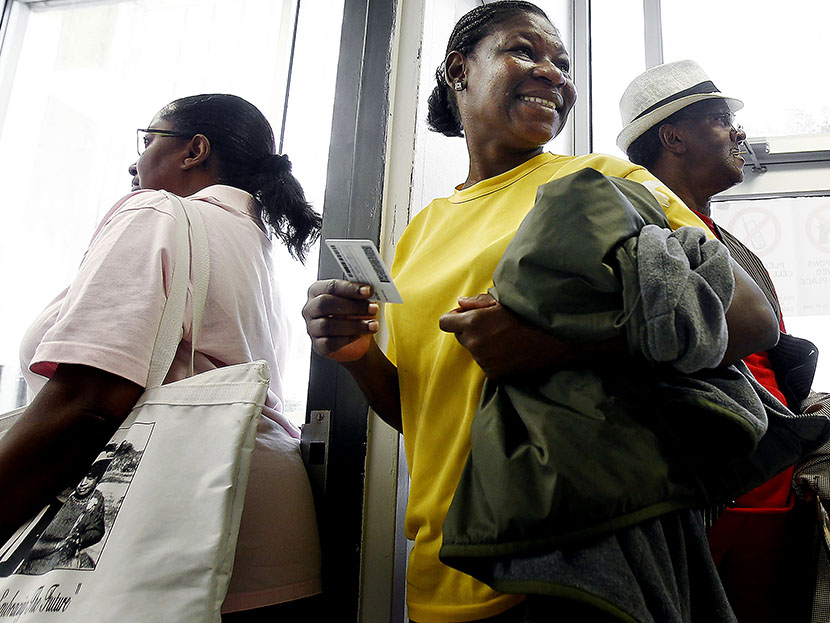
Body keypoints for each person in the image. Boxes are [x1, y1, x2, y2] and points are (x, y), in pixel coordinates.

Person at [303, 3, 785, 621]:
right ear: (459, 70)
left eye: (561, 61)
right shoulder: (420, 232)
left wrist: (559, 346)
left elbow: (750, 319)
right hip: (444, 561)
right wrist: (356, 355)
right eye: (524, 52)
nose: (553, 73)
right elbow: (424, 413)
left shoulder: (604, 179)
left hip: (572, 555)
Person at [0, 94, 322, 618]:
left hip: (171, 526)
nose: (134, 161)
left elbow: (90, 401)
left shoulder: (154, 212)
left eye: (147, 140)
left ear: (194, 150)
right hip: (267, 534)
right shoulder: (251, 244)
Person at [618, 60, 823, 623]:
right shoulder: (639, 231)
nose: (739, 133)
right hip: (711, 488)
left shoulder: (724, 240)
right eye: (719, 119)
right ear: (673, 136)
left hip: (771, 479)